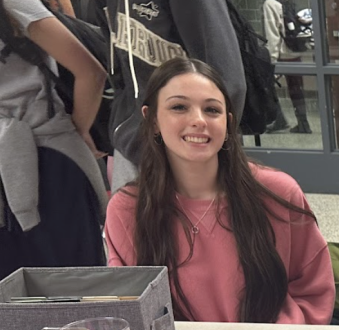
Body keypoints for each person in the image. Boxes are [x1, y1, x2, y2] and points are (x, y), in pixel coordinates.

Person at [105, 58, 335, 324]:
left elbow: (313, 292)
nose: (198, 120)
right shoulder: (127, 211)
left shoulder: (278, 192)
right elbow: (130, 315)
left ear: (227, 123)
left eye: (211, 110)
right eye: (179, 107)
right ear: (152, 119)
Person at [0, 0, 107, 288]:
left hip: (52, 159)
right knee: (9, 293)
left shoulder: (11, 2)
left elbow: (90, 71)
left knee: (75, 290)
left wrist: (78, 130)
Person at [104, 0, 245, 192]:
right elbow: (118, 74)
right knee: (129, 219)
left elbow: (226, 81)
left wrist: (212, 153)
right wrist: (121, 127)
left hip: (192, 155)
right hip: (133, 146)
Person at [263, 0, 310, 134]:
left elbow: (272, 33)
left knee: (267, 85)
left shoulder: (270, 4)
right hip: (294, 49)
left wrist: (271, 59)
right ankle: (303, 123)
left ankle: (279, 120)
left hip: (282, 53)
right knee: (296, 88)